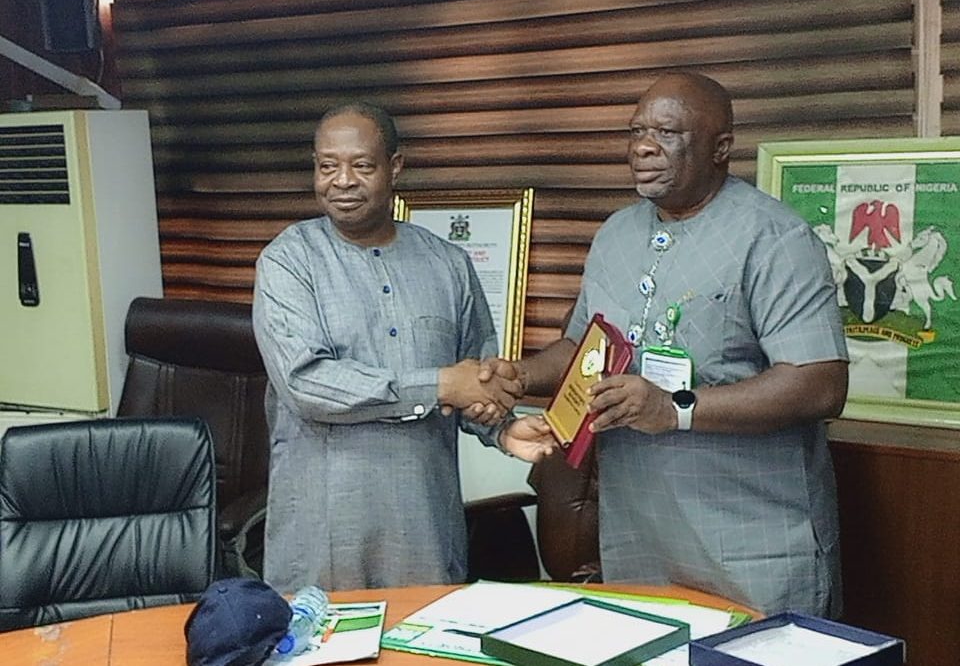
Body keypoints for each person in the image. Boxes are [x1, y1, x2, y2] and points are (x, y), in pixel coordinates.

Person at [487, 72, 849, 616]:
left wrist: (674, 409)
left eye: (668, 133)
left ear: (721, 148)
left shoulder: (774, 238)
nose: (643, 147)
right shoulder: (616, 233)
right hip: (641, 535)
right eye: (636, 131)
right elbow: (583, 349)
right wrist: (522, 375)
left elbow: (820, 384)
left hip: (750, 538)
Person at [251, 102, 556, 592]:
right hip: (324, 535)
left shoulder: (448, 263)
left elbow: (475, 376)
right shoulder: (288, 262)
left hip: (426, 533)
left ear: (395, 167)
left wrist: (503, 428)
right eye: (327, 166)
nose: (342, 181)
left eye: (362, 165)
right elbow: (306, 384)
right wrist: (439, 385)